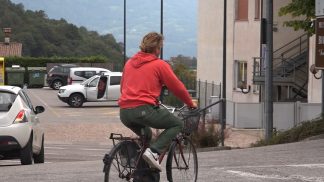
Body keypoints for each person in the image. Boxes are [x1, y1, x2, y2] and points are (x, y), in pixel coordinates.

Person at [118, 32, 197, 171]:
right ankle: (154, 152)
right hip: (144, 110)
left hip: (124, 112)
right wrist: (190, 103)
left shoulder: (129, 63)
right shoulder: (159, 65)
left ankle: (141, 170)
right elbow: (177, 87)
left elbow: (122, 87)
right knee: (177, 124)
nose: (160, 51)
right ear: (156, 49)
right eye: (160, 47)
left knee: (147, 135)